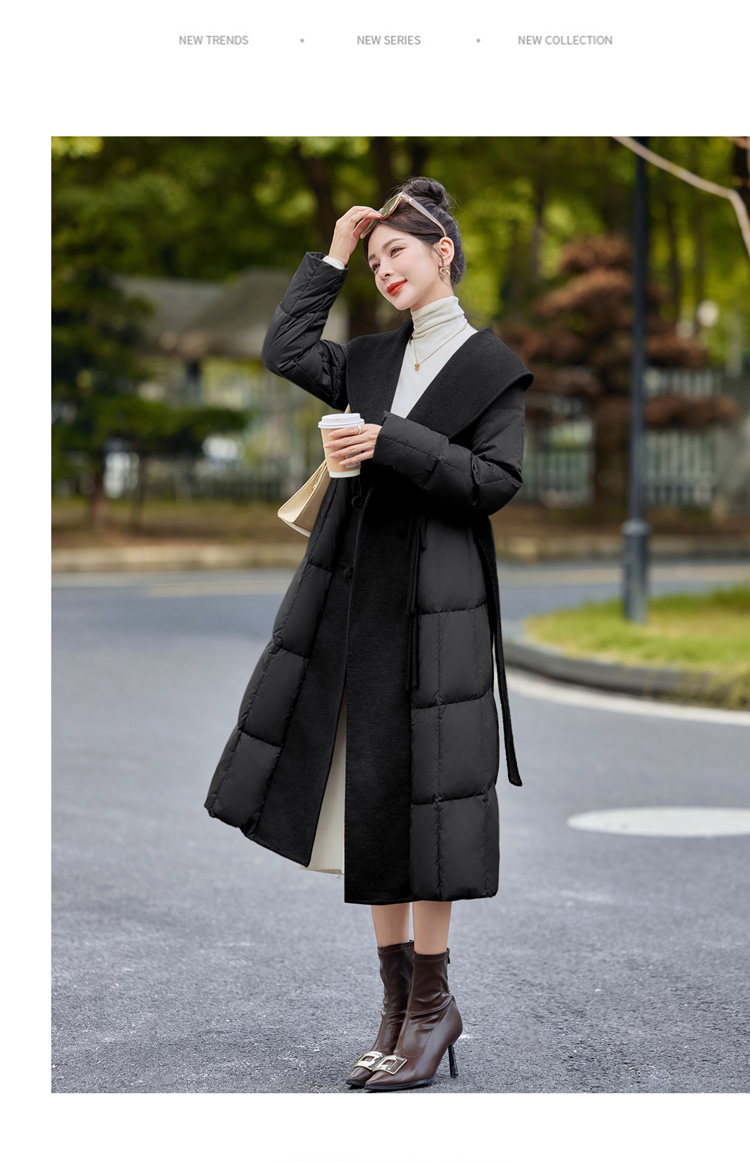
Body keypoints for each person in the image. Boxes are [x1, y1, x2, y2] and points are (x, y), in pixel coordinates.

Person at [205, 177, 534, 1091]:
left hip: (440, 606)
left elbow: (493, 482)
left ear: (443, 252)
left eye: (399, 252)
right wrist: (336, 252)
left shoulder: (493, 367)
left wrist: (386, 439)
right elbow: (284, 348)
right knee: (373, 796)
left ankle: (432, 1010)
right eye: (376, 259)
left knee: (431, 803)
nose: (385, 270)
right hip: (357, 598)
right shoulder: (369, 358)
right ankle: (396, 1010)